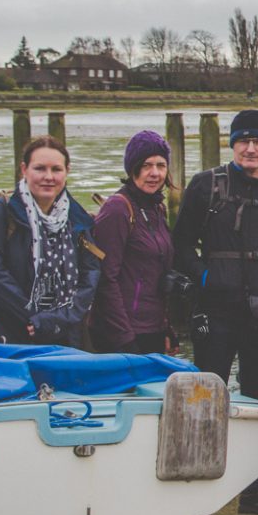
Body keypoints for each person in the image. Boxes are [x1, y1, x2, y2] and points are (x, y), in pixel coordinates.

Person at [173, 109, 258, 515]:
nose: (251, 149)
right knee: (205, 402)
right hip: (214, 315)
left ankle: (253, 491)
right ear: (232, 144)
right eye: (243, 141)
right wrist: (204, 277)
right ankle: (197, 496)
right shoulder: (206, 186)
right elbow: (180, 244)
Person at [0, 135, 100, 347]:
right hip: (2, 331)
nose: (48, 177)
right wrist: (34, 315)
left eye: (56, 169)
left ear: (67, 172)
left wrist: (59, 318)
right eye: (40, 169)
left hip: (62, 331)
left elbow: (90, 273)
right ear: (24, 170)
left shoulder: (76, 217)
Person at [90, 131, 175, 354]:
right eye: (146, 165)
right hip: (123, 332)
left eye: (161, 165)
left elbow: (158, 272)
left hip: (153, 327)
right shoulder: (118, 209)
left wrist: (167, 328)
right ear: (132, 168)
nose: (154, 173)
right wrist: (124, 338)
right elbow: (106, 278)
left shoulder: (157, 208)